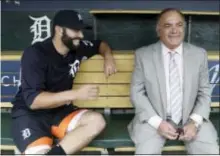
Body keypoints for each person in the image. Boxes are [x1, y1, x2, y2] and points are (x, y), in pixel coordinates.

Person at [11, 10, 117, 155]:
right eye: (75, 30)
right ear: (59, 30)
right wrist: (76, 94)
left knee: (96, 121)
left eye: (81, 30)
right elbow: (34, 101)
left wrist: (108, 56)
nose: (80, 35)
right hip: (31, 115)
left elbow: (100, 44)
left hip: (60, 112)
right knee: (38, 152)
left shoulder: (78, 47)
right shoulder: (35, 53)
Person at [128, 8, 219, 155]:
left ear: (184, 28)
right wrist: (158, 123)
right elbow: (137, 93)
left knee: (210, 152)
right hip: (153, 119)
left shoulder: (198, 54)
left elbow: (204, 92)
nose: (174, 30)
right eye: (168, 25)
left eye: (179, 25)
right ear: (158, 30)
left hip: (191, 116)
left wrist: (195, 122)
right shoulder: (143, 55)